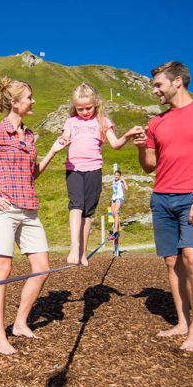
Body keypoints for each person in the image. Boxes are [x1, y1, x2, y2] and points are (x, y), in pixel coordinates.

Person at [0, 77, 70, 355]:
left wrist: (54, 151)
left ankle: (20, 322)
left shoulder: (30, 136)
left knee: (42, 268)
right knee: (3, 271)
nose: (33, 101)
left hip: (30, 209)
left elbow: (31, 175)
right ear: (15, 103)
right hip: (5, 211)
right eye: (29, 97)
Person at [133, 61, 193, 352]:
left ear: (178, 81)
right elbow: (149, 167)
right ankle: (182, 322)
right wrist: (141, 147)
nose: (154, 90)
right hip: (161, 197)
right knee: (172, 262)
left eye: (158, 84)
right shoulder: (157, 122)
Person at [60, 83, 144, 266]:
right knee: (76, 205)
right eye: (79, 108)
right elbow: (65, 137)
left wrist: (128, 134)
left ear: (96, 104)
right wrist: (64, 139)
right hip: (73, 168)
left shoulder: (103, 122)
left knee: (87, 212)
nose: (84, 112)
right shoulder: (71, 122)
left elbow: (115, 144)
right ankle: (74, 248)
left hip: (94, 170)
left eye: (88, 108)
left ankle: (82, 252)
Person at [111, 169, 128, 235]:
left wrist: (124, 181)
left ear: (120, 176)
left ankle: (115, 229)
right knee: (113, 213)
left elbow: (126, 188)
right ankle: (117, 225)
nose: (116, 176)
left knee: (116, 212)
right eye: (115, 175)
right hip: (114, 198)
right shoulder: (113, 181)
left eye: (118, 175)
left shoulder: (121, 182)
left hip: (119, 198)